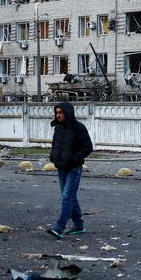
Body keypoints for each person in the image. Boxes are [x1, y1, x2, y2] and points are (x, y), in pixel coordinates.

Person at [47, 101, 93, 239]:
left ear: (68, 113)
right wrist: (54, 158)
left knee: (67, 197)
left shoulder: (78, 128)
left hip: (73, 168)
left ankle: (59, 227)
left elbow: (88, 147)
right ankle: (79, 225)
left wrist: (75, 159)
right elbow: (55, 144)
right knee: (69, 197)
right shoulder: (58, 128)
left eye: (61, 113)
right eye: (57, 112)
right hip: (61, 167)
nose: (58, 115)